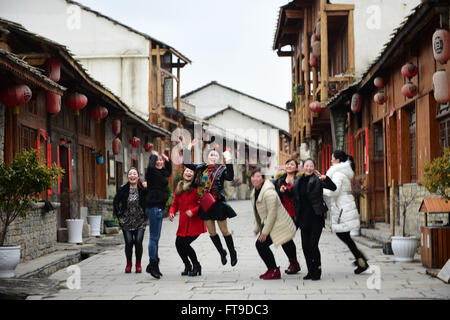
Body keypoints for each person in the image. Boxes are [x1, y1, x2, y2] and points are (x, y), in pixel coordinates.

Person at [183, 139, 238, 267]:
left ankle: (232, 252)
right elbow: (187, 163)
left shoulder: (222, 169)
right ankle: (222, 252)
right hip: (205, 204)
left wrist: (229, 160)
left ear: (219, 158)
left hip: (218, 203)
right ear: (207, 157)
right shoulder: (201, 168)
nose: (213, 157)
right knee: (212, 232)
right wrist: (188, 147)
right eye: (211, 155)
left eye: (215, 155)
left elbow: (230, 177)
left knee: (224, 231)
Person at [285, 158, 336, 281]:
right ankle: (310, 271)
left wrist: (326, 178)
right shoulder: (298, 181)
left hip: (316, 218)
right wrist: (285, 191)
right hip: (303, 219)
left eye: (311, 166)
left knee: (313, 245)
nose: (308, 168)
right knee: (305, 246)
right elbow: (292, 194)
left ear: (314, 168)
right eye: (307, 166)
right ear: (303, 168)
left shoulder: (318, 180)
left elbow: (333, 188)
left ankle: (317, 270)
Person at [323, 150, 369, 274]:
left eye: (332, 158)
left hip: (342, 207)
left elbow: (335, 191)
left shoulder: (338, 174)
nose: (331, 160)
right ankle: (359, 257)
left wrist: (322, 191)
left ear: (337, 160)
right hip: (344, 206)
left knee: (343, 234)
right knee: (345, 235)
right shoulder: (342, 173)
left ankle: (361, 259)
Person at [251, 168, 297, 280]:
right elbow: (258, 212)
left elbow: (272, 214)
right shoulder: (255, 191)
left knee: (261, 244)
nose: (255, 179)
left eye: (258, 176)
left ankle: (274, 270)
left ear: (263, 179)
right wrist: (257, 227)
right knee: (286, 241)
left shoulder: (269, 193)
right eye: (253, 176)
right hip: (274, 224)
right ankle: (293, 264)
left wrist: (265, 232)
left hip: (279, 223)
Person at [169, 167, 207, 276]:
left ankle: (196, 265)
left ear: (194, 175)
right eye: (187, 171)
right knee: (178, 244)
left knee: (185, 244)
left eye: (191, 171)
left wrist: (193, 211)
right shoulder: (179, 187)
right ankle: (187, 265)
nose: (188, 173)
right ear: (183, 173)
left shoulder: (197, 188)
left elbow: (203, 203)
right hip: (183, 223)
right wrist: (172, 212)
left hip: (195, 223)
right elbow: (175, 204)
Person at [113, 167, 147, 273]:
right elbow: (116, 202)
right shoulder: (123, 188)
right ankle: (129, 264)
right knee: (128, 242)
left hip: (140, 220)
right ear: (128, 176)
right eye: (130, 174)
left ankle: (138, 264)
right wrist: (119, 214)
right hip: (126, 220)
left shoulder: (143, 188)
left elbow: (150, 198)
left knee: (138, 241)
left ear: (138, 176)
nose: (132, 176)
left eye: (134, 174)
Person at [145, 150, 172, 279]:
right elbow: (150, 166)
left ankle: (153, 264)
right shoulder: (151, 172)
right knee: (153, 238)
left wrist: (167, 159)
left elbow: (169, 172)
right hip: (154, 208)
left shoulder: (161, 172)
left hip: (159, 208)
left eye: (161, 160)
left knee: (156, 238)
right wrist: (154, 156)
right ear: (153, 162)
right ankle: (152, 264)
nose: (160, 162)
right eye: (157, 160)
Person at [273, 158, 301, 274]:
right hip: (284, 213)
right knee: (285, 238)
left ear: (296, 167)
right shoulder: (279, 180)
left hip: (296, 213)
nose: (289, 166)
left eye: (292, 164)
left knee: (287, 237)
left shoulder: (299, 180)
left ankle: (294, 263)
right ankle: (293, 263)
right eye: (288, 164)